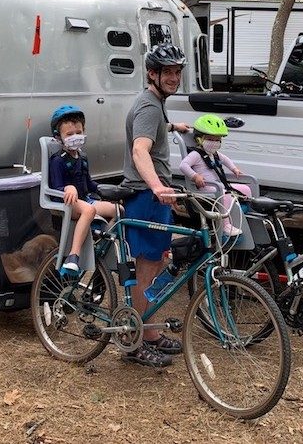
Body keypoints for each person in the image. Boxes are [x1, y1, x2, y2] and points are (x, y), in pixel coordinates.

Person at [120, 43, 191, 368]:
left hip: (152, 196)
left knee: (155, 265)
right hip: (146, 197)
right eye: (168, 72)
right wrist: (158, 186)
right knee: (146, 272)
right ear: (153, 73)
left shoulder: (154, 104)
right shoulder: (149, 106)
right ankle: (135, 343)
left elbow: (153, 130)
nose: (174, 78)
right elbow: (140, 150)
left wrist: (175, 127)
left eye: (178, 72)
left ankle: (148, 332)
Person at [47, 105, 116, 275]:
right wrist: (67, 188)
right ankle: (73, 255)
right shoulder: (58, 160)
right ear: (58, 137)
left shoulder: (83, 157)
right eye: (69, 135)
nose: (75, 137)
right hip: (66, 201)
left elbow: (89, 184)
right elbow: (56, 186)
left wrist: (108, 190)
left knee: (118, 210)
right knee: (89, 210)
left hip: (85, 200)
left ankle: (102, 247)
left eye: (78, 132)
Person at [179, 114, 253, 238]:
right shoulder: (196, 155)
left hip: (217, 185)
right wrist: (195, 176)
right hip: (206, 187)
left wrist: (234, 169)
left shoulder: (216, 154)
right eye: (210, 139)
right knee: (225, 195)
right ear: (199, 139)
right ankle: (225, 226)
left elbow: (226, 160)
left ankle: (247, 215)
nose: (214, 143)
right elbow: (183, 165)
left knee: (246, 189)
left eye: (217, 140)